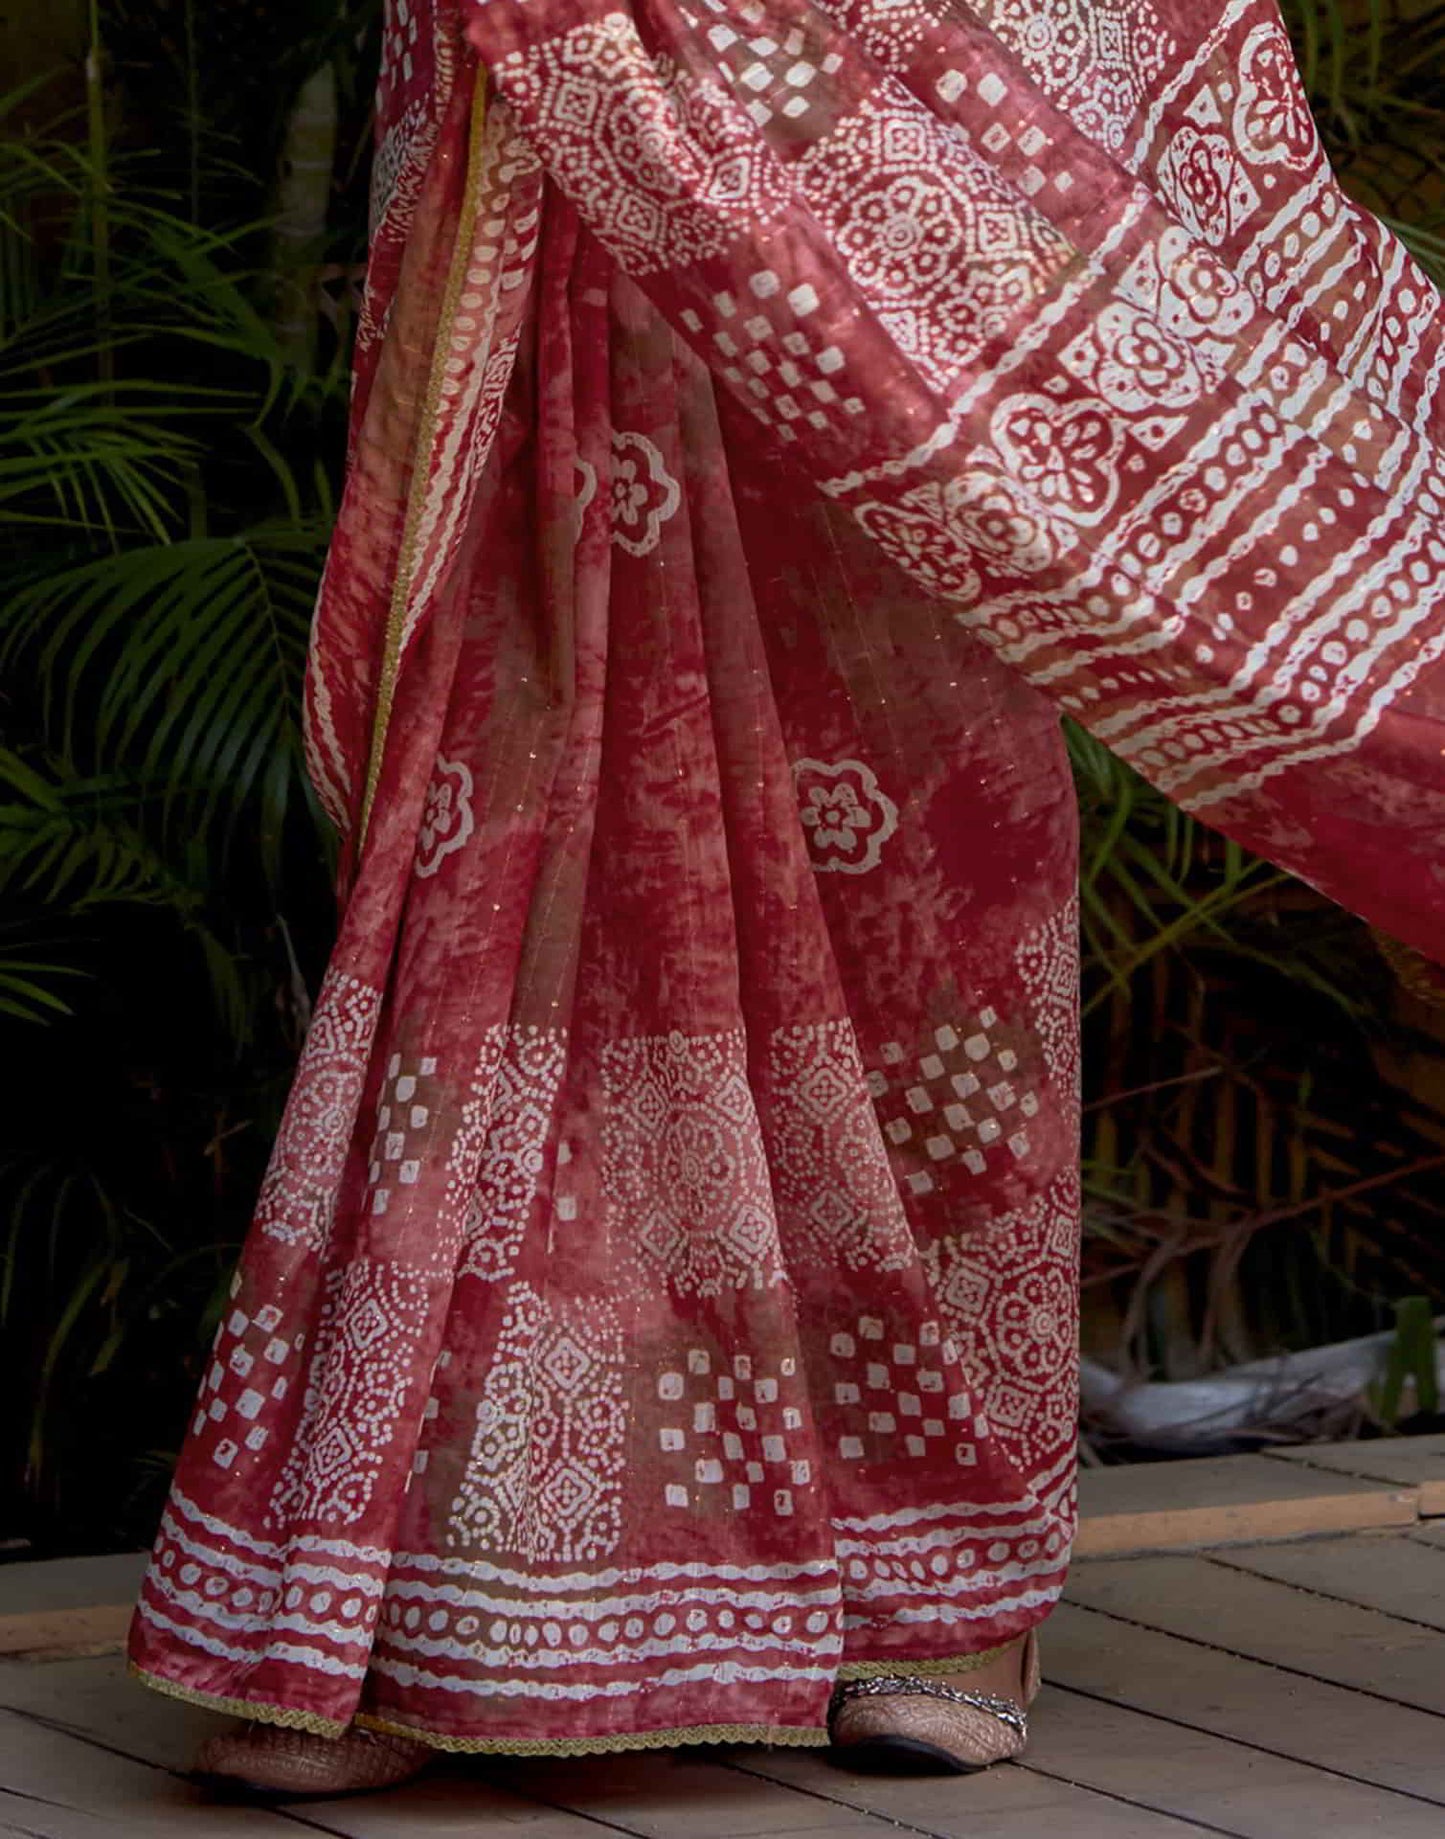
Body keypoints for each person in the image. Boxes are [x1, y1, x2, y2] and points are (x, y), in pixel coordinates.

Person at [127, 0, 1445, 1798]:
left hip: (926, 179)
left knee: (919, 894)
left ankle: (942, 1580)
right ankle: (419, 1605)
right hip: (583, 205)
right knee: (520, 869)